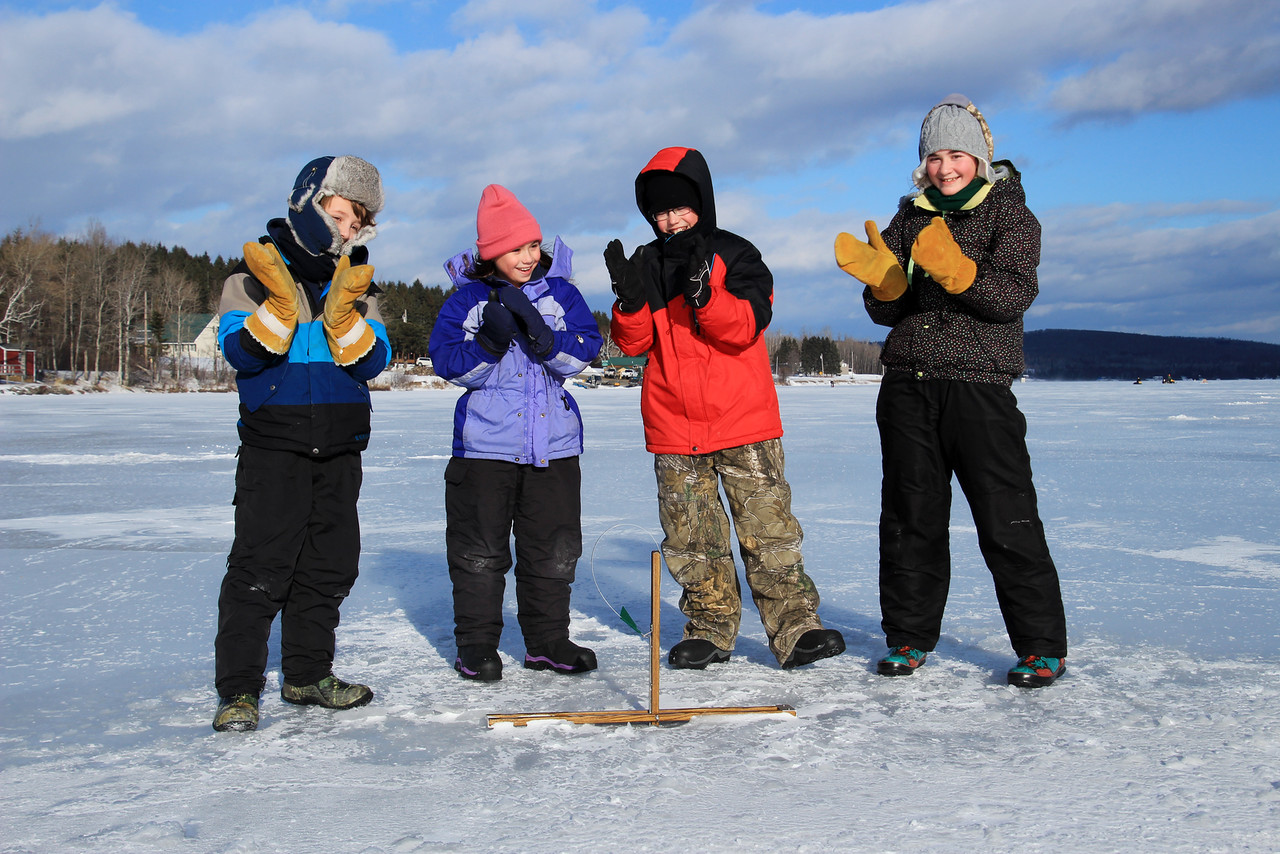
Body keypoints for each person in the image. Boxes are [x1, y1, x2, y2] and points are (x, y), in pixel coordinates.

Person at [834, 94, 1068, 688]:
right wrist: (885, 286)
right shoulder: (909, 216)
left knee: (1005, 515)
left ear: (980, 158)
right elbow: (885, 310)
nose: (945, 167)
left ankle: (1041, 645)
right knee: (910, 517)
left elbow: (1011, 296)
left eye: (957, 154)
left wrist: (959, 271)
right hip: (909, 386)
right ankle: (908, 637)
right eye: (934, 156)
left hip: (979, 389)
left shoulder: (1012, 216)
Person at [605, 146, 846, 671]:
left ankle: (796, 628)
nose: (670, 219)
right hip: (673, 424)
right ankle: (710, 629)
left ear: (702, 202)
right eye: (660, 211)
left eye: (679, 208)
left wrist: (705, 296)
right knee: (692, 540)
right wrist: (627, 302)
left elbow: (743, 328)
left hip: (743, 423)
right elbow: (634, 343)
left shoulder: (737, 254)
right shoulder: (647, 262)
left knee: (768, 533)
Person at [212, 155, 392, 731]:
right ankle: (239, 689)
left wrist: (345, 320)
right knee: (261, 568)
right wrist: (282, 309)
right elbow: (241, 353)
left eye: (357, 223)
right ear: (310, 203)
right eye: (341, 216)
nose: (348, 231)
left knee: (328, 566)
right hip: (274, 450)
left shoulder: (358, 286)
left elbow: (376, 362)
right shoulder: (247, 281)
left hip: (340, 448)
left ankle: (307, 675)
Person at [428, 185, 603, 682]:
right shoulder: (468, 300)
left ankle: (548, 642)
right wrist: (489, 340)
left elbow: (584, 352)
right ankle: (477, 646)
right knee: (479, 552)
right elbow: (451, 366)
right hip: (484, 450)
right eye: (513, 248)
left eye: (531, 246)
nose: (526, 257)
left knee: (552, 549)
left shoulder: (561, 294)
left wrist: (547, 340)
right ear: (490, 253)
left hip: (554, 448)